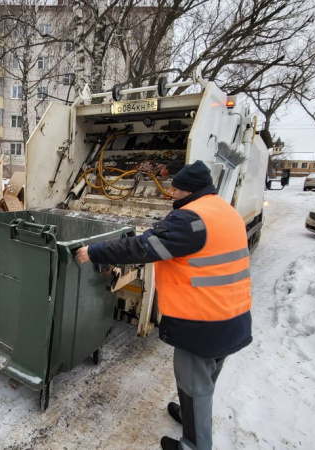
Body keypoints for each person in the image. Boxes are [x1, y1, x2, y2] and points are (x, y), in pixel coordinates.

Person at [75, 160, 252, 450]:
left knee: (195, 385)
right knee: (207, 376)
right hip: (233, 313)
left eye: (176, 188)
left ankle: (195, 445)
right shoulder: (225, 211)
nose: (170, 192)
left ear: (189, 190)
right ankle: (188, 415)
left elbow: (142, 247)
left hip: (203, 321)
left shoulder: (190, 219)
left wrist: (94, 251)